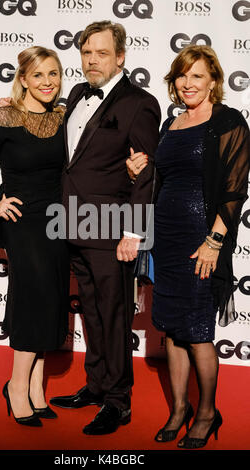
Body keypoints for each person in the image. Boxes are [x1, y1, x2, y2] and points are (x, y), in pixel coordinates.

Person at [127, 45, 250, 449]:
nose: (187, 83)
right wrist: (137, 171)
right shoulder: (171, 124)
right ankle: (178, 409)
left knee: (197, 330)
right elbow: (161, 179)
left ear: (214, 80)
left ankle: (206, 412)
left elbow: (235, 189)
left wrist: (214, 240)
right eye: (182, 76)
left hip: (202, 238)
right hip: (165, 235)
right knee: (172, 331)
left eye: (197, 75)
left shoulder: (227, 121)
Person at [48, 20, 161, 435]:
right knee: (92, 313)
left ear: (120, 56)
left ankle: (118, 402)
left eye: (100, 52)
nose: (91, 60)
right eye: (86, 52)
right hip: (71, 222)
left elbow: (146, 172)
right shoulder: (77, 93)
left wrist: (133, 232)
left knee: (114, 316)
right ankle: (95, 386)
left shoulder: (140, 103)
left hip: (112, 230)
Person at [0, 46, 70, 427]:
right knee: (34, 301)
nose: (47, 82)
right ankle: (16, 386)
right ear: (23, 78)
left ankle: (37, 389)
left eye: (53, 74)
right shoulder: (2, 116)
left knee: (51, 300)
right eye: (38, 74)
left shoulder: (63, 116)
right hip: (22, 222)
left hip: (58, 221)